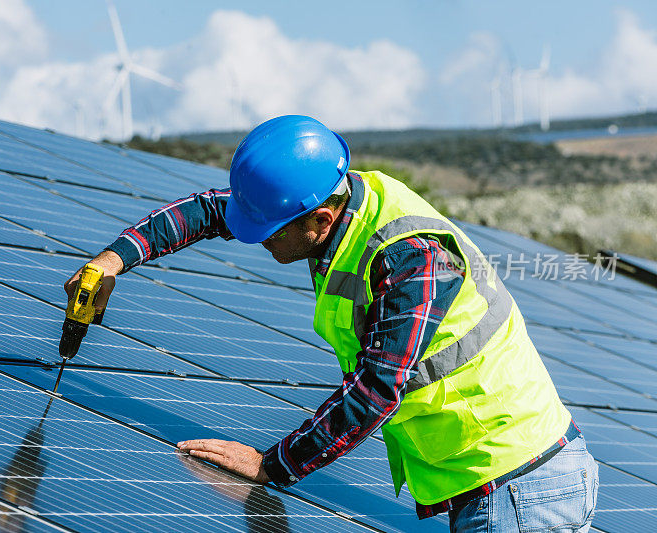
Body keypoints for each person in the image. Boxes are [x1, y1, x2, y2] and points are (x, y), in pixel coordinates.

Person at [64, 115, 598, 532]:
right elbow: (210, 212)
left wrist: (272, 466)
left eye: (269, 232)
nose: (256, 239)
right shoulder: (324, 195)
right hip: (493, 480)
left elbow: (376, 388)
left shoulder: (412, 259)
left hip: (517, 487)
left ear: (320, 219)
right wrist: (112, 262)